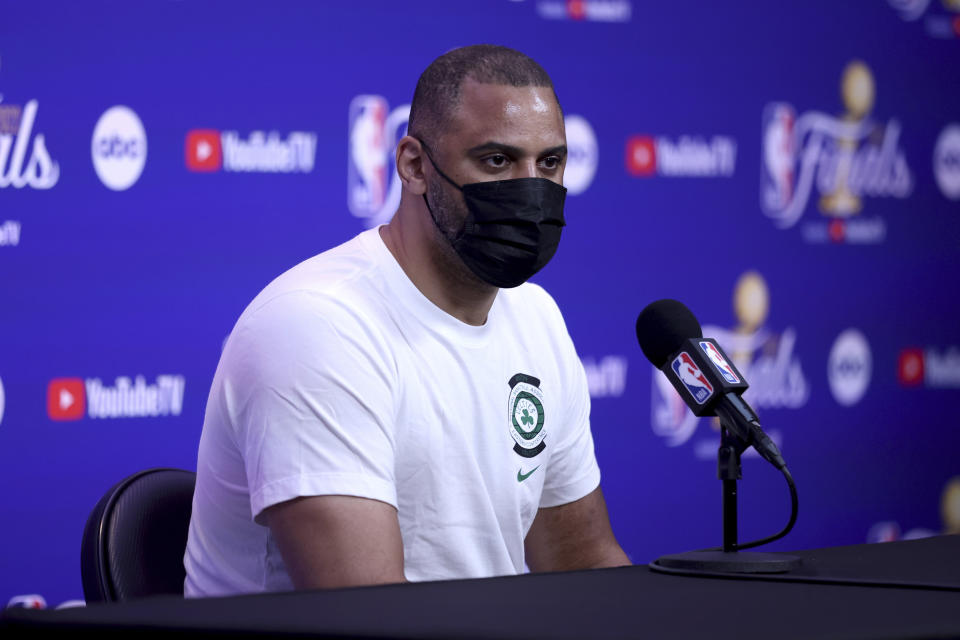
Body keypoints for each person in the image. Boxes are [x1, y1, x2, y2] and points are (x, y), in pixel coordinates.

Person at [184, 44, 630, 597]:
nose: (531, 191)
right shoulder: (318, 327)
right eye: (497, 161)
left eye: (550, 163)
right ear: (415, 165)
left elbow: (583, 564)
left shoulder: (535, 316)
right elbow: (368, 613)